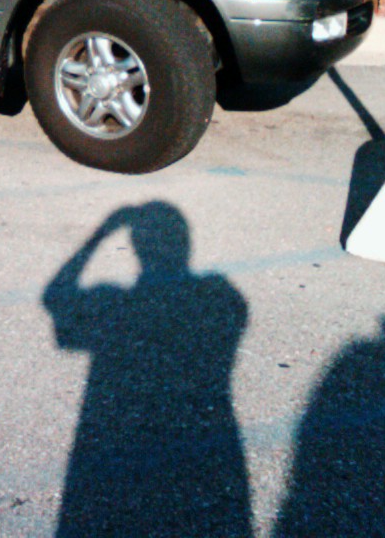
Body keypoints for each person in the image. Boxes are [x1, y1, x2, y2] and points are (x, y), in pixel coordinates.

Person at [43, 202, 251, 538]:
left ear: (138, 248)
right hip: (210, 435)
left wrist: (97, 237)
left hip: (115, 435)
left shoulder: (113, 303)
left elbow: (56, 302)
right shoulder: (223, 295)